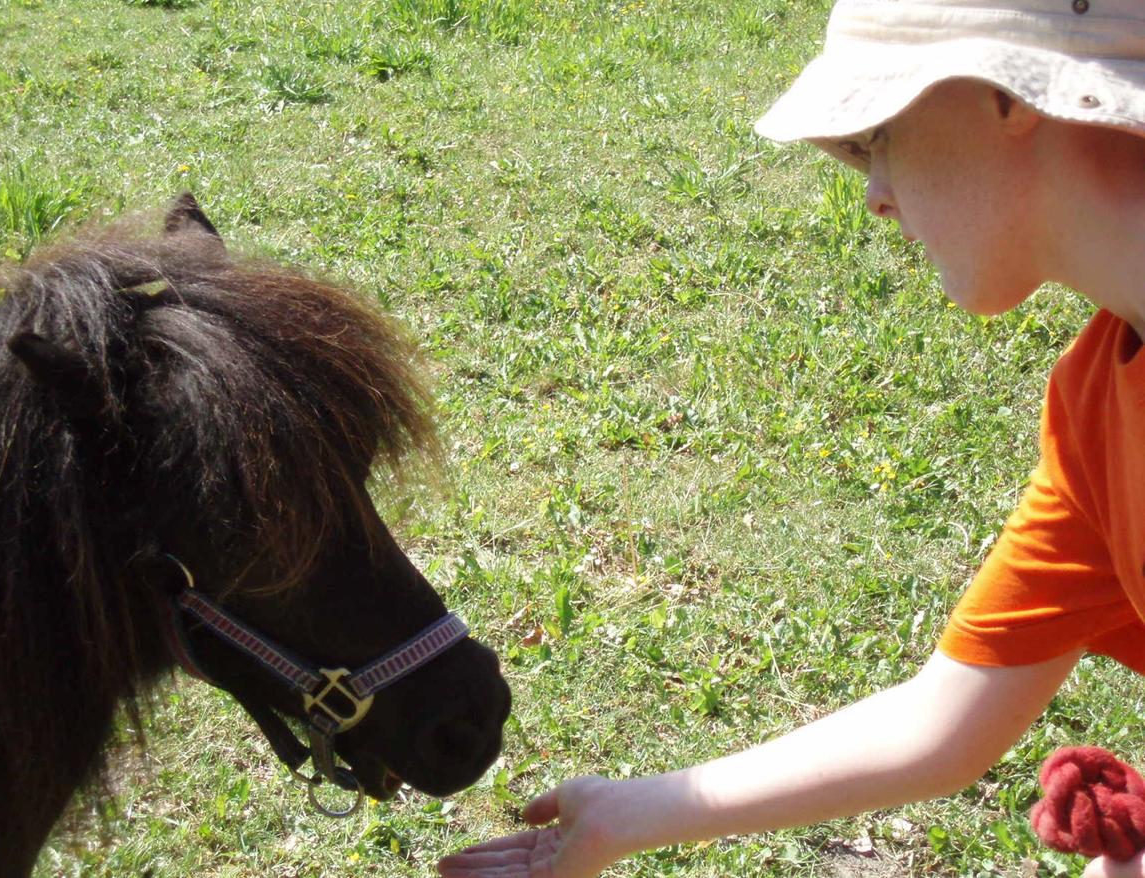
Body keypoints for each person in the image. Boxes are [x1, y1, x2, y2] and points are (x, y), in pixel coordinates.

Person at [436, 1, 1145, 876]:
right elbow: (944, 721)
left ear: (1010, 93)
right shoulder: (1095, 396)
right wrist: (628, 814)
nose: (877, 196)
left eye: (880, 133)